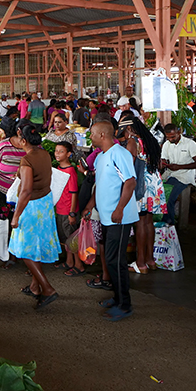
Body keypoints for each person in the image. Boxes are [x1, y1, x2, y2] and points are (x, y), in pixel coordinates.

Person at [82, 120, 138, 321]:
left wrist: (120, 208)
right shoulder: (100, 157)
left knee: (116, 261)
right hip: (106, 216)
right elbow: (100, 184)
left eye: (93, 134)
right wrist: (90, 205)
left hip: (120, 217)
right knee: (111, 260)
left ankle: (125, 305)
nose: (91, 138)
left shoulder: (119, 154)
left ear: (103, 136)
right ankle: (117, 297)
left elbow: (130, 182)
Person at [9, 123, 60, 309]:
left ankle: (47, 288)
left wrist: (16, 215)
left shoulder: (27, 160)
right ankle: (35, 287)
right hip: (45, 204)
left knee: (25, 250)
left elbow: (26, 191)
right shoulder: (45, 154)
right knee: (36, 246)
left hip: (31, 207)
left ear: (23, 140)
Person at [119, 114, 165, 274]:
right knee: (149, 222)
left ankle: (140, 263)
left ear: (130, 128)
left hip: (142, 185)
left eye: (123, 130)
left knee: (140, 224)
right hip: (154, 184)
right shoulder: (149, 139)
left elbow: (129, 165)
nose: (123, 134)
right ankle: (150, 260)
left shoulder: (133, 142)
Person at [0, 120, 27, 269]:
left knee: (21, 225)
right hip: (3, 194)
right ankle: (8, 255)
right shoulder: (3, 146)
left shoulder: (32, 147)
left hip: (24, 195)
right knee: (6, 225)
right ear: (18, 132)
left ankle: (20, 255)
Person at [160, 123, 196, 224]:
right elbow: (163, 160)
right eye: (168, 137)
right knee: (160, 193)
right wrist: (162, 164)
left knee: (169, 197)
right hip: (171, 174)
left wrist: (179, 167)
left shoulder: (190, 144)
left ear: (179, 132)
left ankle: (169, 222)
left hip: (185, 175)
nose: (170, 139)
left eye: (173, 137)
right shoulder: (166, 144)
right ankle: (165, 220)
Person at [52, 142, 83, 276]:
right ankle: (69, 261)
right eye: (56, 151)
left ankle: (78, 265)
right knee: (65, 238)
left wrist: (72, 212)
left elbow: (74, 192)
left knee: (71, 239)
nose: (57, 153)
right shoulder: (59, 169)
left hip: (68, 211)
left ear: (69, 154)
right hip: (60, 209)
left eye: (61, 151)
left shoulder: (71, 171)